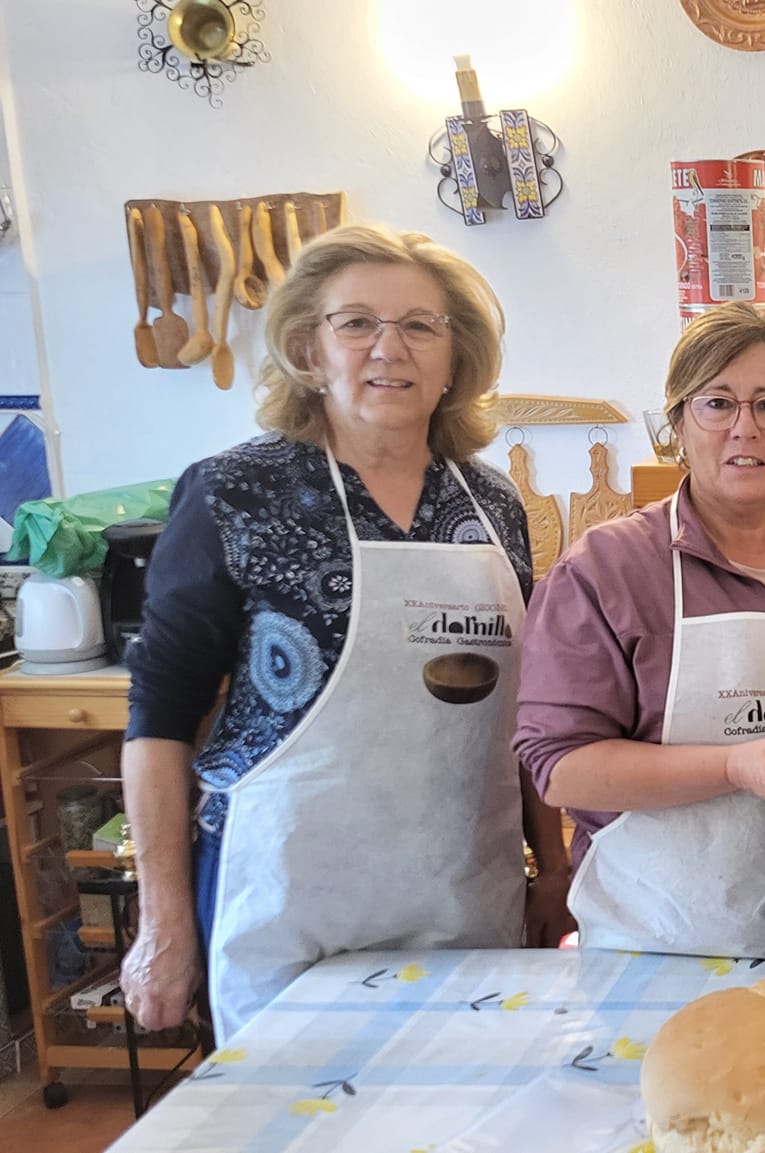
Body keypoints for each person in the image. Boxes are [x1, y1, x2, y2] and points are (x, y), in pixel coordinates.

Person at [119, 224, 566, 1041]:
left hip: (462, 893)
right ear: (307, 348)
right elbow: (159, 718)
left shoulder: (492, 504)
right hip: (289, 900)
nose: (388, 348)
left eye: (420, 326)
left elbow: (528, 709)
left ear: (454, 357)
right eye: (356, 322)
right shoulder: (232, 492)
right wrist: (164, 925)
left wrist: (553, 867)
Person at [514, 302, 765, 957]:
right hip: (650, 945)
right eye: (717, 403)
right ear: (677, 423)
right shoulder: (607, 571)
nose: (744, 428)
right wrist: (733, 765)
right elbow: (561, 768)